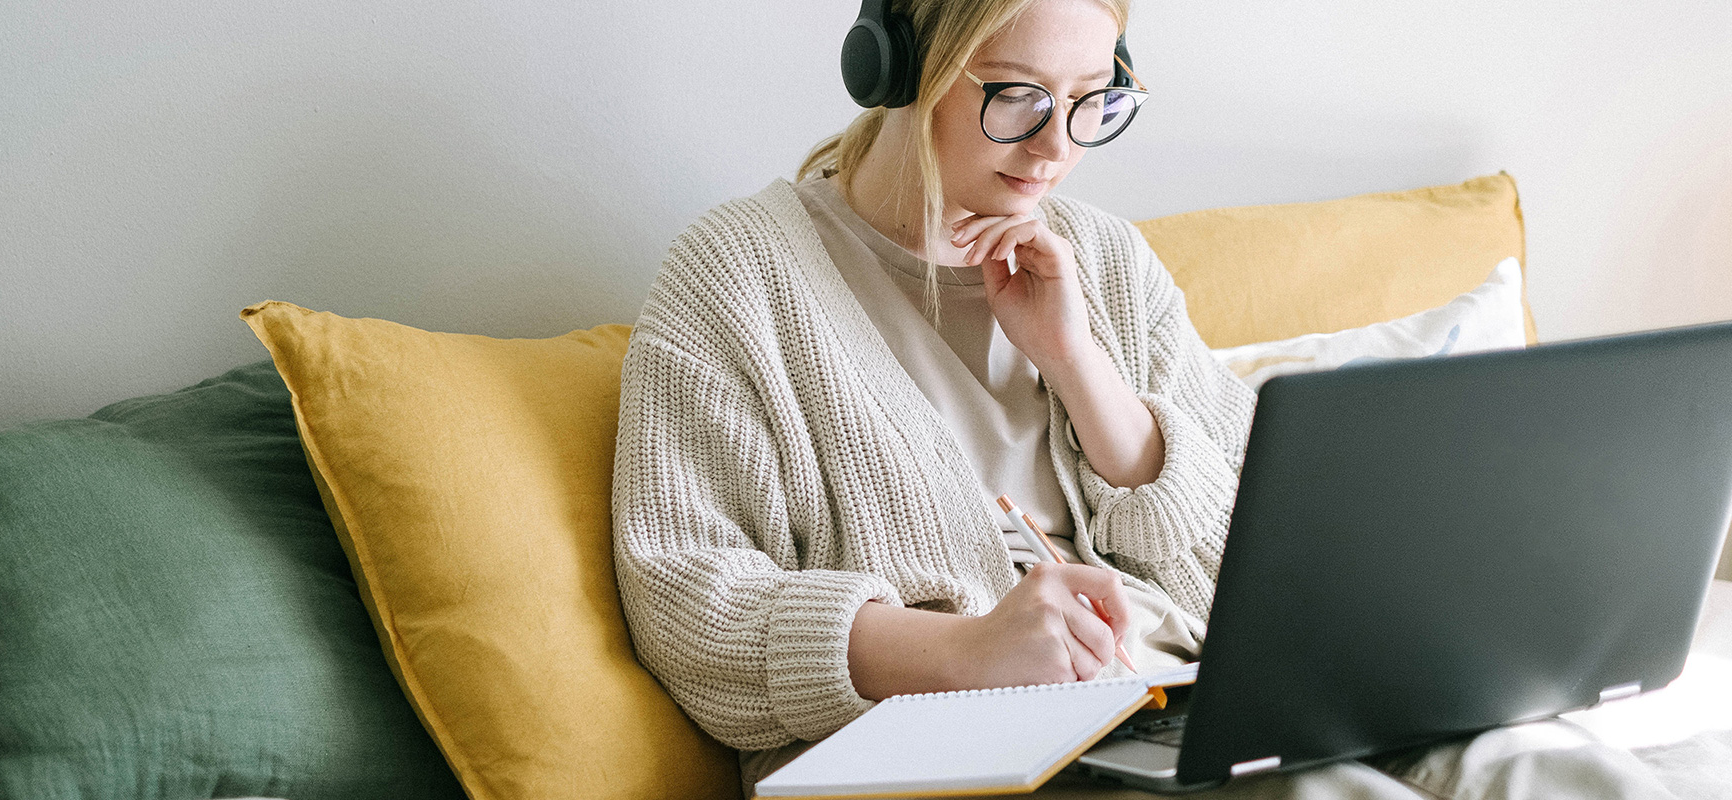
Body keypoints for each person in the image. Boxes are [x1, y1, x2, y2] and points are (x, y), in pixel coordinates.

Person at [610, 1, 1679, 797]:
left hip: (1190, 703)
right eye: (1017, 97)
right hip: (961, 756)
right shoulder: (738, 276)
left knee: (1540, 763)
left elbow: (1260, 557)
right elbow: (689, 604)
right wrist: (964, 652)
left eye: (1091, 102)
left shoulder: (1103, 260)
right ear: (892, 63)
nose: (1056, 148)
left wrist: (1083, 370)